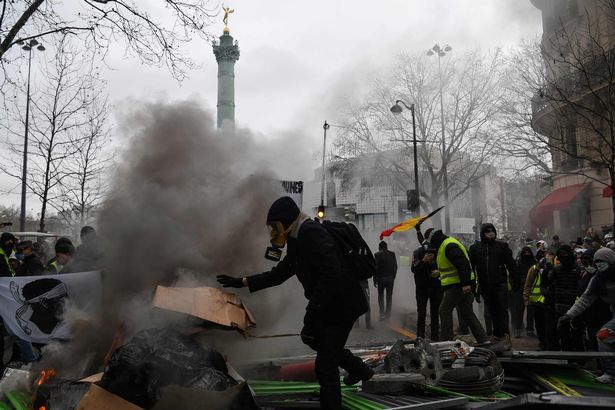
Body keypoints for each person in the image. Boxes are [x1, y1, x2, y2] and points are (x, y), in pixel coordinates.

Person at [216, 197, 373, 409]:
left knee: (325, 366)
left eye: (274, 227)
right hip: (332, 304)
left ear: (286, 221)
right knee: (313, 339)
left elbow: (331, 273)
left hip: (343, 305)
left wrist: (313, 313)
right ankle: (359, 369)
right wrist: (242, 281)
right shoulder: (297, 239)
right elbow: (279, 274)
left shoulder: (310, 233)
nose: (272, 233)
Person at [559, 248, 615, 384]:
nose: (599, 264)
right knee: (603, 336)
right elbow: (585, 299)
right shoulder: (597, 280)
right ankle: (611, 373)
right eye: (597, 262)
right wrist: (568, 316)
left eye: (602, 261)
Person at [427, 229, 488, 345]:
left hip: (457, 286)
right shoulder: (447, 243)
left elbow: (462, 264)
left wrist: (465, 284)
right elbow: (453, 267)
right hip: (460, 284)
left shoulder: (448, 246)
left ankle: (446, 342)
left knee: (444, 310)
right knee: (467, 314)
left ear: (434, 239)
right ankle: (484, 340)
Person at [469, 223, 519, 351]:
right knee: (492, 311)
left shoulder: (502, 247)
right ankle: (497, 335)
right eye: (487, 231)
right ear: (482, 233)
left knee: (502, 310)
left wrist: (517, 281)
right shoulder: (475, 249)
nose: (490, 233)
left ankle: (505, 336)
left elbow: (511, 265)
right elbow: (472, 269)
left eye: (492, 231)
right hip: (485, 285)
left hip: (500, 284)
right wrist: (474, 287)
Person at [544, 245, 583, 351]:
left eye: (565, 255)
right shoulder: (557, 269)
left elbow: (582, 288)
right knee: (563, 333)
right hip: (560, 305)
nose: (563, 257)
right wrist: (547, 271)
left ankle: (579, 358)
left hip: (575, 306)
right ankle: (567, 356)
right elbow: (547, 283)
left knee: (577, 333)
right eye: (561, 255)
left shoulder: (578, 269)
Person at [577, 250, 611, 351]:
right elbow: (582, 297)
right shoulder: (584, 276)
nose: (586, 263)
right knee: (593, 346)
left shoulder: (605, 276)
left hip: (606, 318)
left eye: (589, 259)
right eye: (583, 260)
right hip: (590, 319)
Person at [411, 232, 442, 341]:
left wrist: (439, 272)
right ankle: (420, 337)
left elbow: (444, 267)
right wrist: (423, 261)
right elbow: (413, 268)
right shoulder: (417, 252)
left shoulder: (439, 252)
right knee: (421, 314)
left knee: (435, 314)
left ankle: (435, 337)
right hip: (422, 288)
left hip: (436, 288)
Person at [524, 250, 547, 350]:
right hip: (536, 302)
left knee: (548, 324)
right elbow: (527, 285)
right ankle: (542, 342)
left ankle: (548, 343)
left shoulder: (552, 269)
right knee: (539, 323)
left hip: (548, 302)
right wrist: (526, 298)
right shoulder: (533, 270)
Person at [513, 246, 535, 338]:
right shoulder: (518, 263)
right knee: (519, 310)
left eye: (528, 253)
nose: (526, 254)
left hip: (531, 289)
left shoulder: (534, 263)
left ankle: (529, 330)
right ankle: (518, 330)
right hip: (520, 288)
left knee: (530, 311)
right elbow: (514, 274)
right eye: (525, 253)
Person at [374, 241, 397, 321]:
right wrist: (393, 278)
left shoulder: (377, 254)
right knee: (389, 297)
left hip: (381, 279)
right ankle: (388, 314)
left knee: (380, 296)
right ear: (386, 247)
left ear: (380, 247)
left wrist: (375, 279)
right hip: (390, 279)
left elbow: (376, 268)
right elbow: (395, 267)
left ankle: (382, 314)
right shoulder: (392, 254)